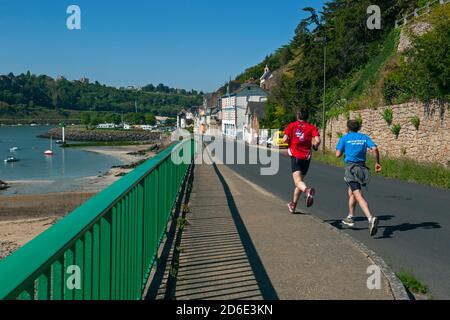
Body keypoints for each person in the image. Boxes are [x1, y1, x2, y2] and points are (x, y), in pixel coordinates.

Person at [336, 120, 382, 237]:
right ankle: (350, 216)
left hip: (351, 169)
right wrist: (377, 163)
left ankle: (370, 218)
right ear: (359, 127)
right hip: (362, 169)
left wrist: (344, 150)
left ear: (347, 128)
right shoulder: (364, 137)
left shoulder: (345, 138)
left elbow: (337, 154)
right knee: (351, 192)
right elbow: (375, 149)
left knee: (357, 195)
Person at [282, 109, 321, 213]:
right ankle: (293, 205)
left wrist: (286, 141)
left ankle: (307, 191)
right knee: (299, 182)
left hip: (296, 156)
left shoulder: (291, 126)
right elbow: (318, 140)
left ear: (298, 115)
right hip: (306, 157)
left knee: (298, 182)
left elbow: (284, 139)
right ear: (307, 117)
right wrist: (315, 146)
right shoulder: (311, 127)